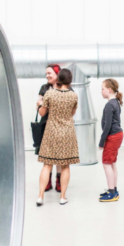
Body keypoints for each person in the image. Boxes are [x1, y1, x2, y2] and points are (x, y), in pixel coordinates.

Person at [36, 68, 79, 206]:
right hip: (67, 133)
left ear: (59, 78)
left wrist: (38, 106)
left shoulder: (49, 93)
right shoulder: (73, 96)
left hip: (51, 132)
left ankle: (40, 196)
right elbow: (72, 113)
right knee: (65, 166)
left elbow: (42, 113)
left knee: (47, 165)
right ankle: (62, 197)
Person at [36, 65, 63, 193]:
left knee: (59, 155)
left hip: (61, 126)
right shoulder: (44, 87)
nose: (47, 76)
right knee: (47, 155)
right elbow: (39, 104)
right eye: (46, 74)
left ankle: (59, 181)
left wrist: (45, 104)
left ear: (57, 73)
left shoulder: (65, 87)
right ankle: (47, 181)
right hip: (46, 125)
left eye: (49, 73)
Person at [98, 79, 124, 202]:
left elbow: (107, 125)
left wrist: (101, 142)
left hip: (113, 136)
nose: (101, 91)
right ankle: (113, 189)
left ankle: (112, 193)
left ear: (109, 90)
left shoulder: (109, 105)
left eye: (102, 89)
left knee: (106, 163)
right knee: (112, 162)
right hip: (117, 135)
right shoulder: (116, 102)